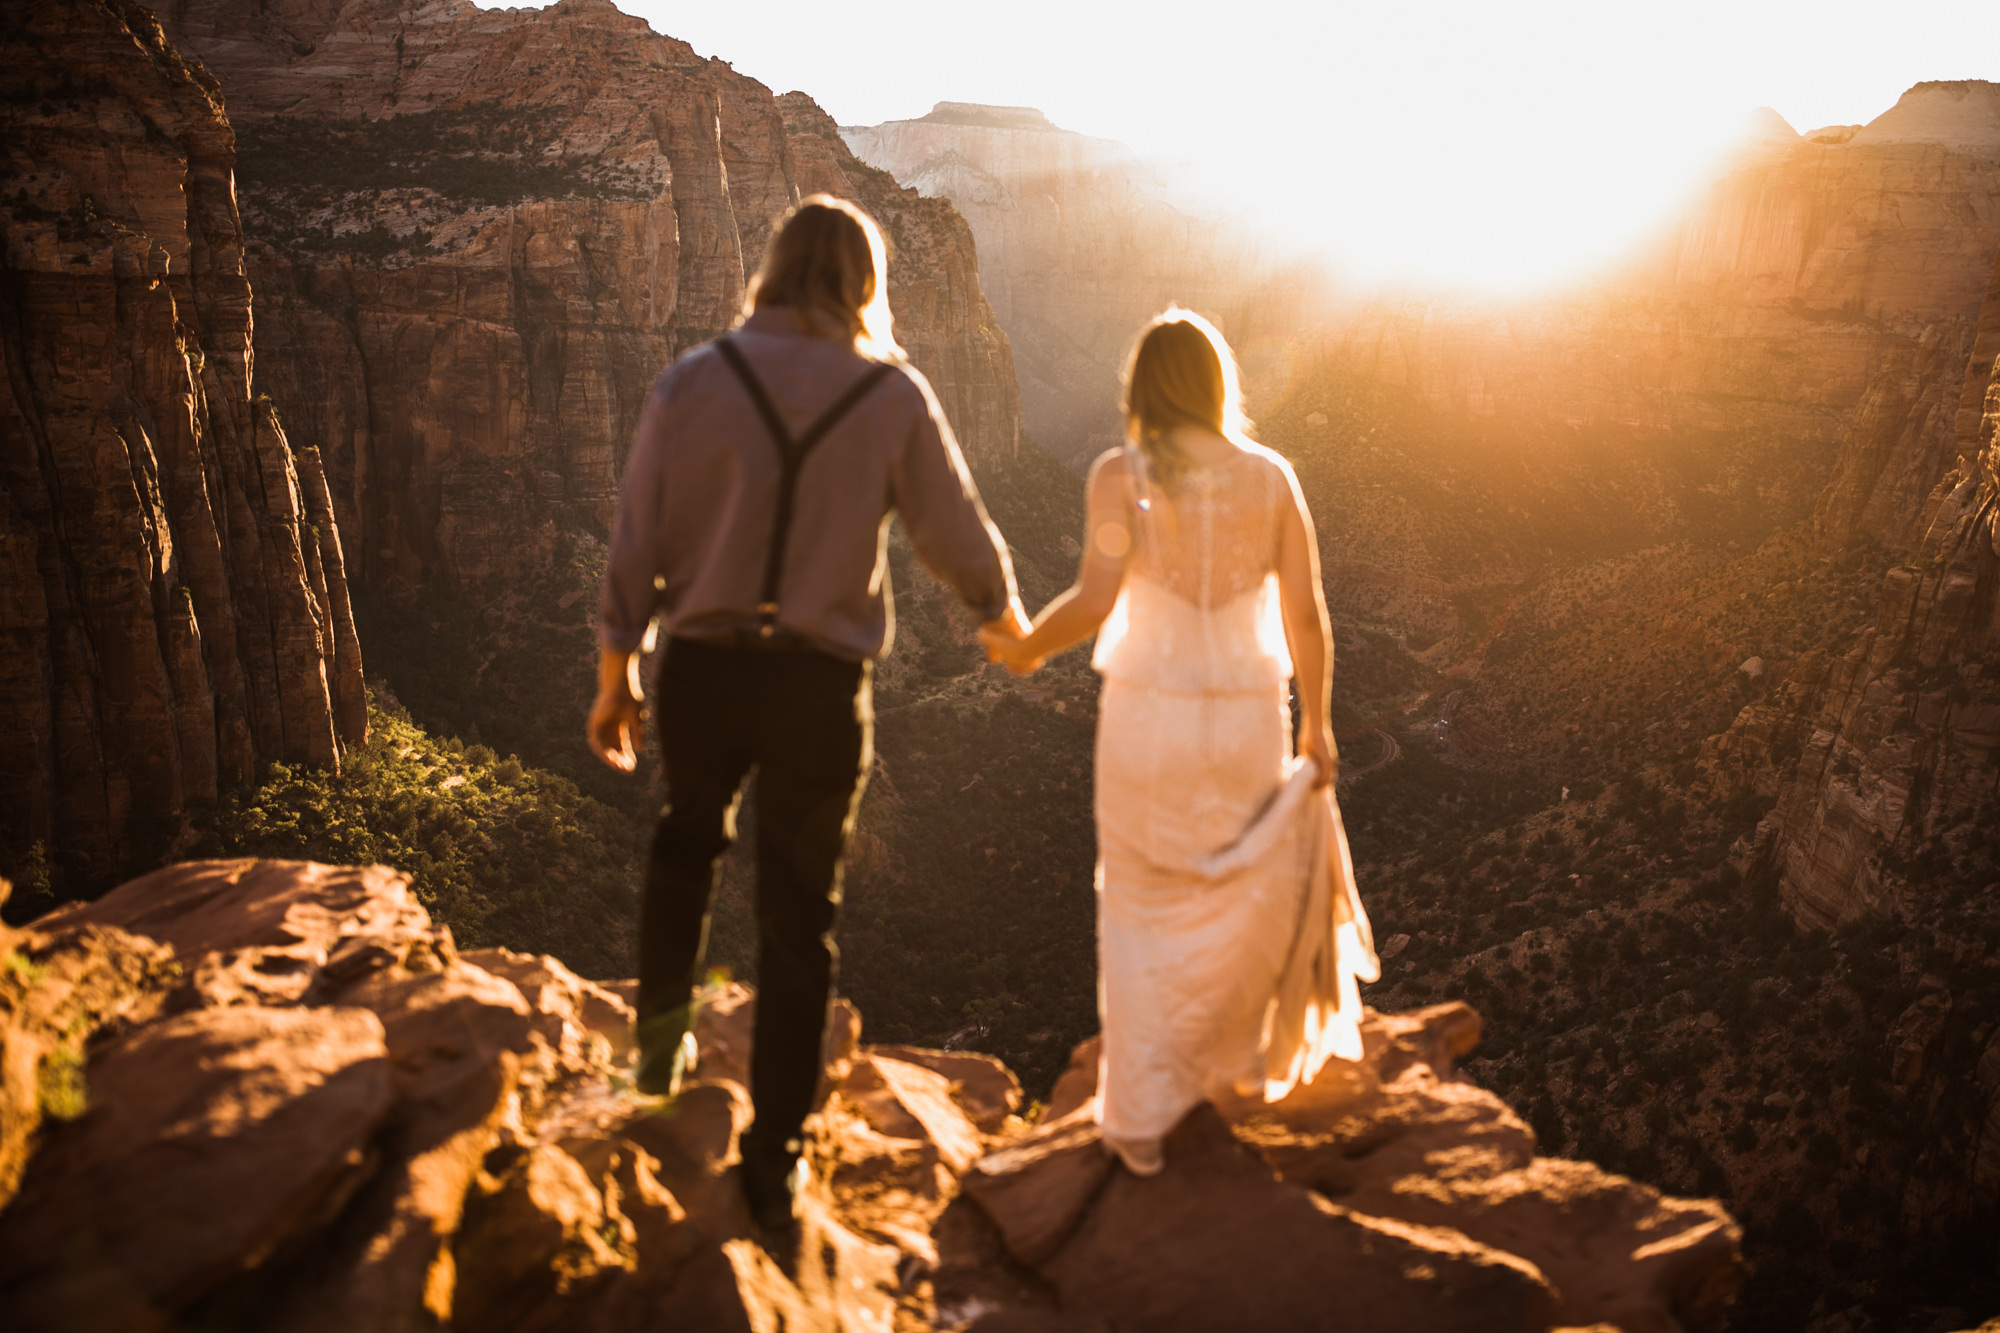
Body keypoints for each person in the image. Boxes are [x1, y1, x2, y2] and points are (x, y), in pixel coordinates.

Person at [588, 195, 1028, 1230]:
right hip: (819, 685)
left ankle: (656, 1056)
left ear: (771, 271)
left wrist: (617, 672)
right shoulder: (889, 394)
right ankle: (775, 1152)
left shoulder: (693, 380)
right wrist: (1001, 618)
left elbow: (635, 537)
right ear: (862, 283)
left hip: (699, 665)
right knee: (798, 915)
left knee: (683, 845)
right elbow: (954, 530)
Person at [981, 308, 1378, 1175]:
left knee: (1140, 899)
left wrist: (1020, 649)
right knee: (1234, 889)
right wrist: (1319, 724)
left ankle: (1147, 1106)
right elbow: (1308, 616)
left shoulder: (1121, 475)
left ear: (1143, 389)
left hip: (1147, 720)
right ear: (1217, 383)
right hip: (1244, 717)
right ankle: (1224, 1075)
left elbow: (1091, 601)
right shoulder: (1271, 478)